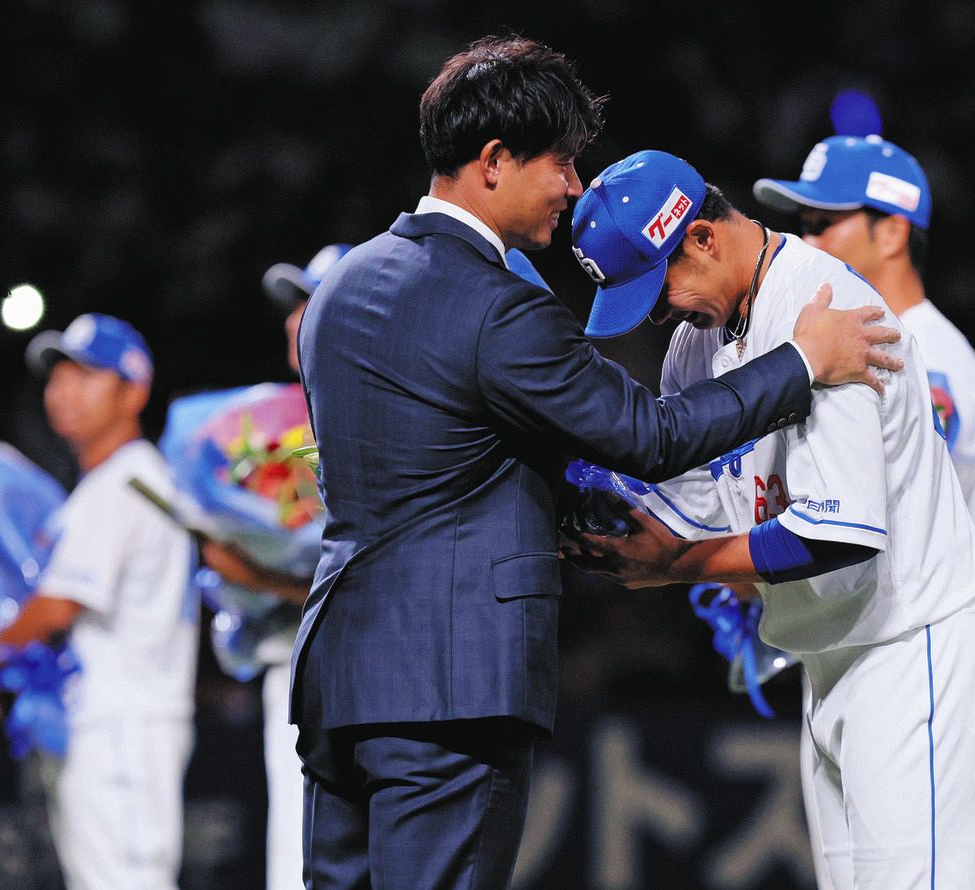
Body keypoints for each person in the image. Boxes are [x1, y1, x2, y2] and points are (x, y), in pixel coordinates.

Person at [290, 35, 903, 889]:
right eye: (561, 161)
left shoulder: (339, 291)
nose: (573, 185)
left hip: (340, 676)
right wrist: (802, 361)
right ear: (495, 160)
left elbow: (421, 463)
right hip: (453, 684)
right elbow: (651, 437)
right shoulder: (496, 304)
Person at [562, 149, 975, 889]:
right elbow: (696, 516)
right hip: (832, 655)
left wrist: (678, 567)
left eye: (660, 285)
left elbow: (835, 534)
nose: (660, 310)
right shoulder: (697, 342)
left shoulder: (829, 311)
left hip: (919, 645)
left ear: (704, 238)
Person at [0, 313, 200, 890]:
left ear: (134, 391)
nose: (63, 392)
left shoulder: (128, 479)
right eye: (57, 377)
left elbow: (58, 606)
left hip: (125, 722)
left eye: (86, 377)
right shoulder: (108, 484)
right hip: (118, 719)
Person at [753, 127, 975, 535]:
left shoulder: (927, 355)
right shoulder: (877, 340)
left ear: (892, 233)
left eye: (823, 223)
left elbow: (884, 527)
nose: (805, 242)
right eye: (803, 225)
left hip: (908, 598)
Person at [200, 242, 352, 890]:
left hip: (368, 668)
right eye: (291, 307)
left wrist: (260, 577)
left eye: (310, 302)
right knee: (293, 859)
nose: (294, 320)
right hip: (288, 662)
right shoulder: (270, 430)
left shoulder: (392, 418)